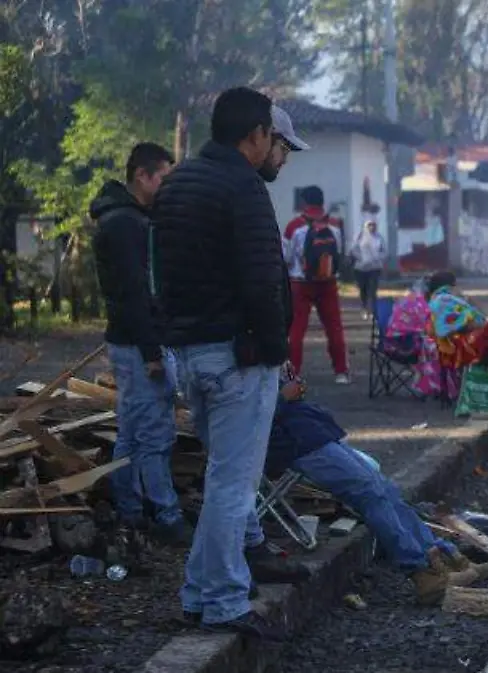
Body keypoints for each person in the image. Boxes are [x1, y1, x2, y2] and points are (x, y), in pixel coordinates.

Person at [151, 87, 299, 640]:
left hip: (189, 354)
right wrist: (279, 352)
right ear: (256, 134)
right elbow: (262, 278)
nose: (270, 150)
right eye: (270, 138)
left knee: (221, 479)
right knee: (233, 484)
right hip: (239, 356)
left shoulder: (178, 182)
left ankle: (197, 593)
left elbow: (160, 273)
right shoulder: (242, 186)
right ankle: (221, 601)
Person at [244, 367, 488, 606]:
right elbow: (244, 411)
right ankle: (423, 573)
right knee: (369, 492)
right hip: (290, 440)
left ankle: (444, 557)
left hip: (306, 429)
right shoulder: (230, 351)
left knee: (385, 488)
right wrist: (283, 396)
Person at [91, 142, 188, 544]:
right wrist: (152, 353)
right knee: (154, 435)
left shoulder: (128, 218)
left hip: (130, 341)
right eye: (163, 176)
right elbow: (134, 293)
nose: (167, 185)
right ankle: (167, 517)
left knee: (131, 431)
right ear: (142, 176)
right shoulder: (125, 224)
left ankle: (130, 510)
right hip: (137, 344)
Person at [284, 185, 350, 383]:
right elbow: (341, 254)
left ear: (304, 202)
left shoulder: (294, 226)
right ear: (322, 201)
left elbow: (286, 256)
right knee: (334, 327)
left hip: (300, 283)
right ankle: (341, 372)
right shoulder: (336, 225)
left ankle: (293, 373)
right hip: (328, 282)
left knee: (296, 330)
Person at [425, 270, 488, 373]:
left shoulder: (444, 299)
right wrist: (474, 325)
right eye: (455, 284)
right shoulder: (443, 300)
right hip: (450, 346)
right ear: (451, 285)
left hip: (450, 343)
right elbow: (446, 328)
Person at [384, 281, 447, 398]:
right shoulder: (422, 306)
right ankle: (434, 386)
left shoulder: (404, 301)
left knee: (432, 344)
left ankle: (431, 383)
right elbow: (430, 329)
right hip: (407, 347)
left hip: (388, 345)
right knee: (438, 347)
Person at [351, 219, 386, 320]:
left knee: (372, 290)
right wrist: (361, 258)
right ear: (365, 226)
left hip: (374, 268)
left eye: (373, 225)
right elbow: (354, 249)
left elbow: (384, 251)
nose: (372, 227)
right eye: (369, 225)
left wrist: (376, 257)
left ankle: (373, 311)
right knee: (363, 290)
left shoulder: (379, 237)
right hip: (360, 268)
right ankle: (364, 309)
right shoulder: (360, 236)